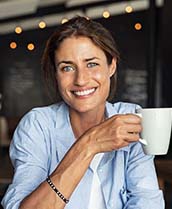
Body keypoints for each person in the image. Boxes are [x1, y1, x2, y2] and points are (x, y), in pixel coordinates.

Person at [2, 16, 164, 209]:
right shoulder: (37, 126)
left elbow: (147, 202)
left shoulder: (131, 118)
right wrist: (88, 145)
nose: (80, 80)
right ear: (56, 74)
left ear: (111, 65)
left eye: (92, 64)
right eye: (67, 67)